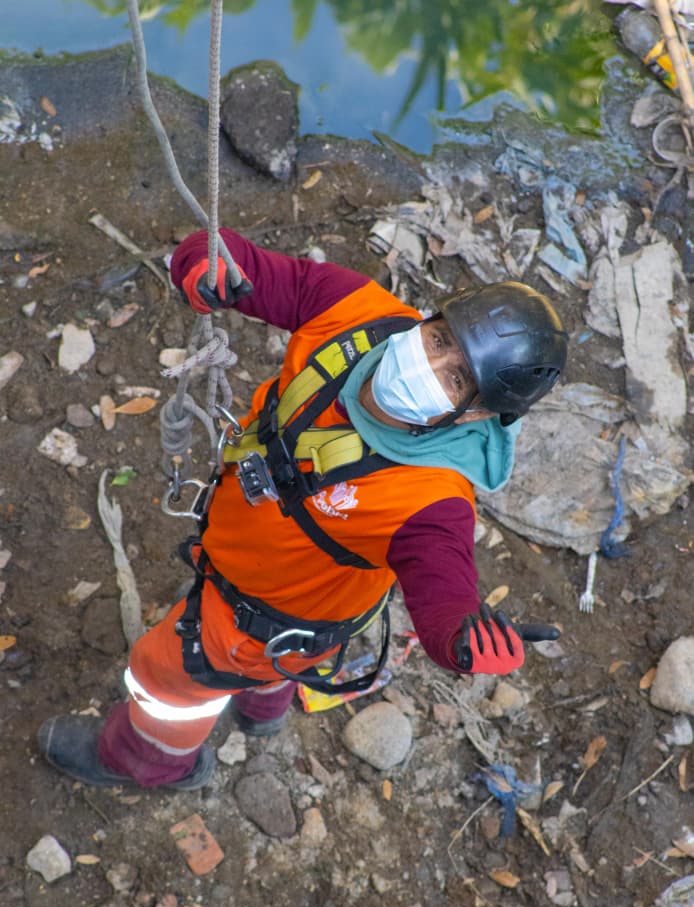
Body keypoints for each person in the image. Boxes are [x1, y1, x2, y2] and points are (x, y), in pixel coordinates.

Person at [38, 227, 567, 790]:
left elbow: (443, 582)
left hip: (252, 620)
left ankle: (142, 761)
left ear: (476, 415)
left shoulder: (433, 502)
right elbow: (247, 266)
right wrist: (203, 265)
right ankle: (263, 710)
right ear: (429, 318)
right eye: (439, 342)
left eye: (456, 378)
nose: (426, 367)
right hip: (300, 615)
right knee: (278, 668)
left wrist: (459, 639)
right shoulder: (357, 313)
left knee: (164, 679)